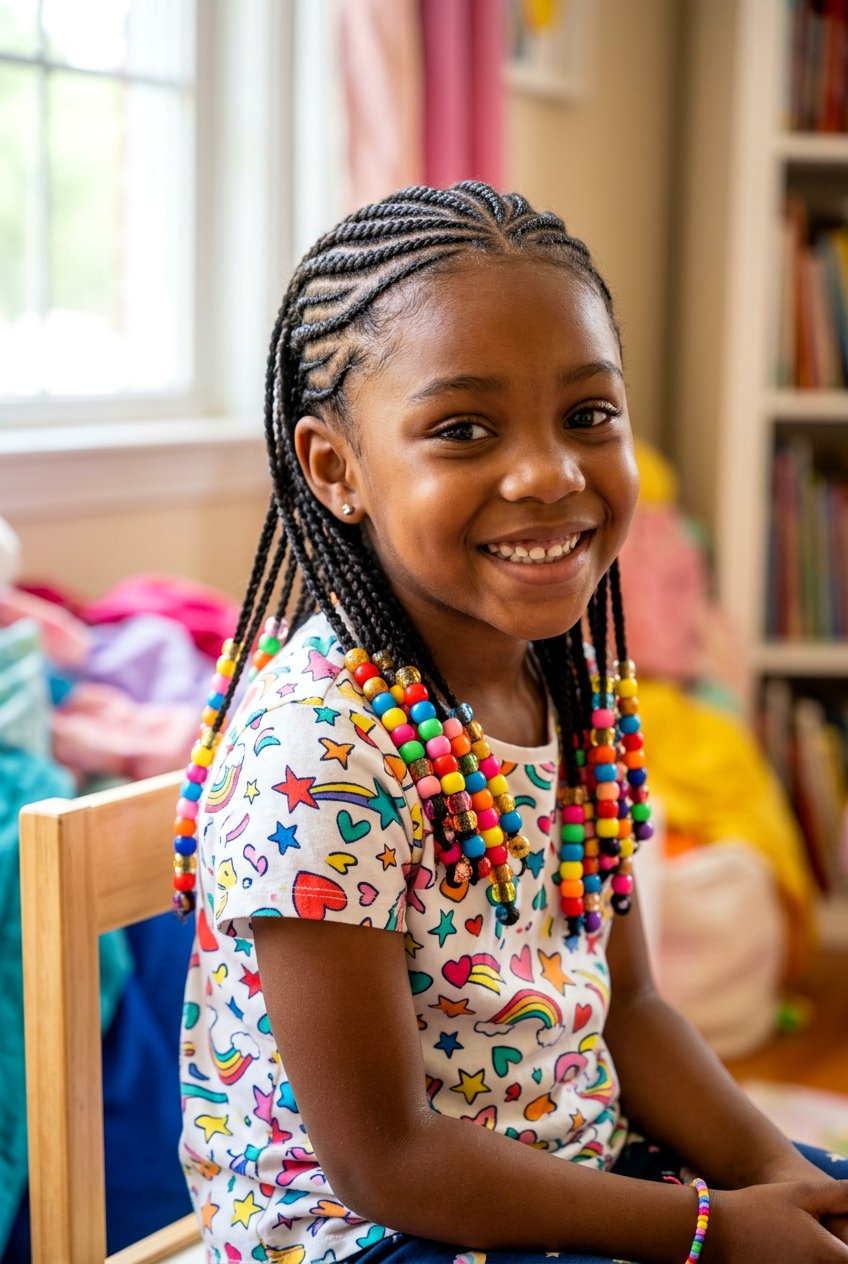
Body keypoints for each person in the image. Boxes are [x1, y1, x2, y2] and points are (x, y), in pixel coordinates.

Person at [175, 181, 848, 1264]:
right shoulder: (319, 749)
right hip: (372, 1234)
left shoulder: (574, 681)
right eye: (462, 428)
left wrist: (775, 1175)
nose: (548, 472)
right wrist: (711, 1232)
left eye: (587, 413)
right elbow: (384, 1157)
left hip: (572, 1164)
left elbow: (630, 1007)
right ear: (334, 468)